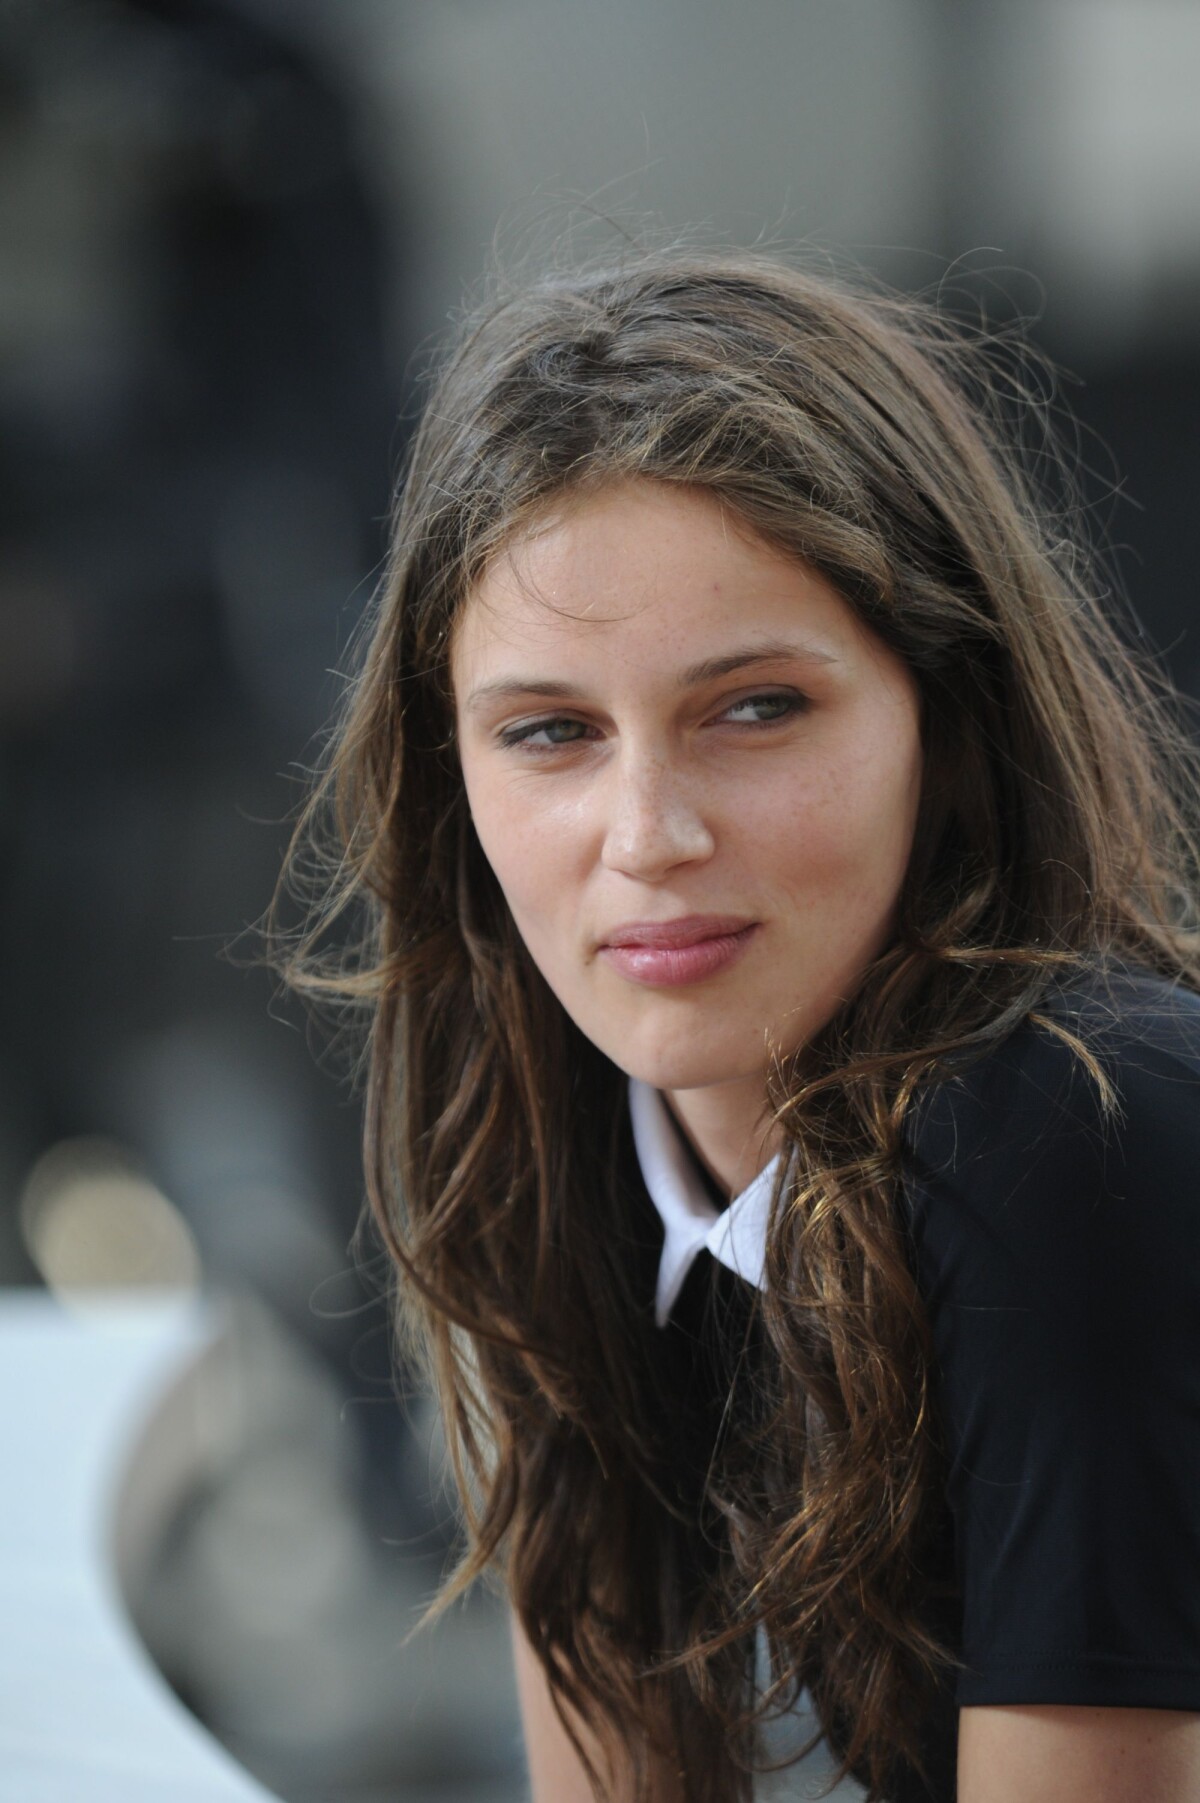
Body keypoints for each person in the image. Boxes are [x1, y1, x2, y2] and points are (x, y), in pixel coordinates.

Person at [276, 249, 1200, 1801]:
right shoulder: (576, 1128)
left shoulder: (1069, 1128)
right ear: (456, 781)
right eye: (551, 732)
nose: (648, 835)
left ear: (945, 716)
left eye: (756, 706)